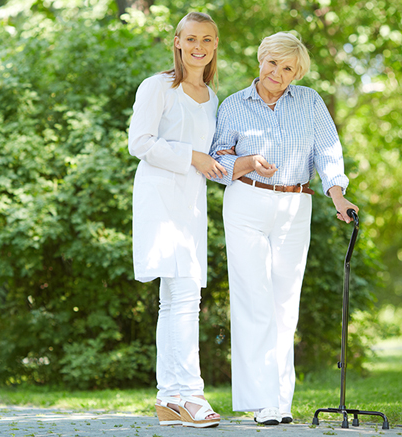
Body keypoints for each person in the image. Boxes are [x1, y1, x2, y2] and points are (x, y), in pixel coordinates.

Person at [209, 31, 359, 425]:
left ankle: (281, 401)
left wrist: (338, 195)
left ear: (297, 73)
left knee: (284, 304)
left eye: (287, 67)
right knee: (252, 299)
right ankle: (261, 403)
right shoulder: (234, 105)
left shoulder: (309, 102)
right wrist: (248, 161)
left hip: (296, 203)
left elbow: (328, 150)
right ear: (261, 60)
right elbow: (217, 158)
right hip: (247, 201)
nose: (277, 72)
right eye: (272, 62)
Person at [128, 11, 225, 429]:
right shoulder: (158, 88)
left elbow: (213, 157)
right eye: (191, 38)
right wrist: (191, 157)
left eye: (207, 39)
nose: (199, 46)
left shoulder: (213, 97)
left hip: (192, 202)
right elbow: (140, 142)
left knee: (181, 300)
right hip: (160, 199)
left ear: (214, 45)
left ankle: (170, 399)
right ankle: (191, 395)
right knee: (182, 299)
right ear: (178, 42)